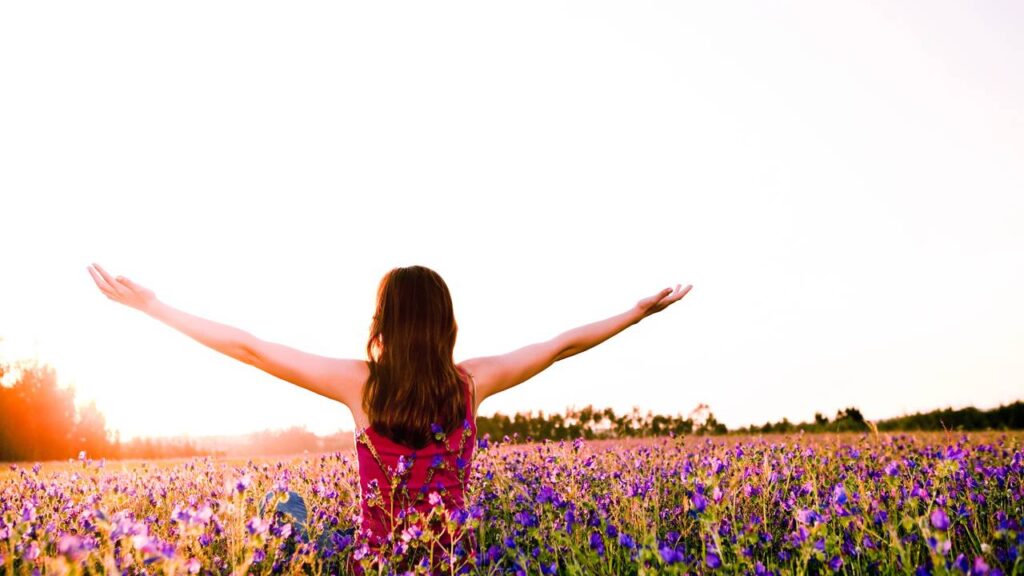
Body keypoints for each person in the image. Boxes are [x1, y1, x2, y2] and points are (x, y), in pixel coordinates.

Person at [87, 263, 691, 572]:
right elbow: (559, 346)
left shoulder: (362, 387)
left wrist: (156, 308)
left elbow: (250, 347)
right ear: (444, 323)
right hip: (454, 563)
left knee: (289, 519)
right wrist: (633, 314)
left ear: (385, 323)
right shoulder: (470, 384)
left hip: (378, 566)